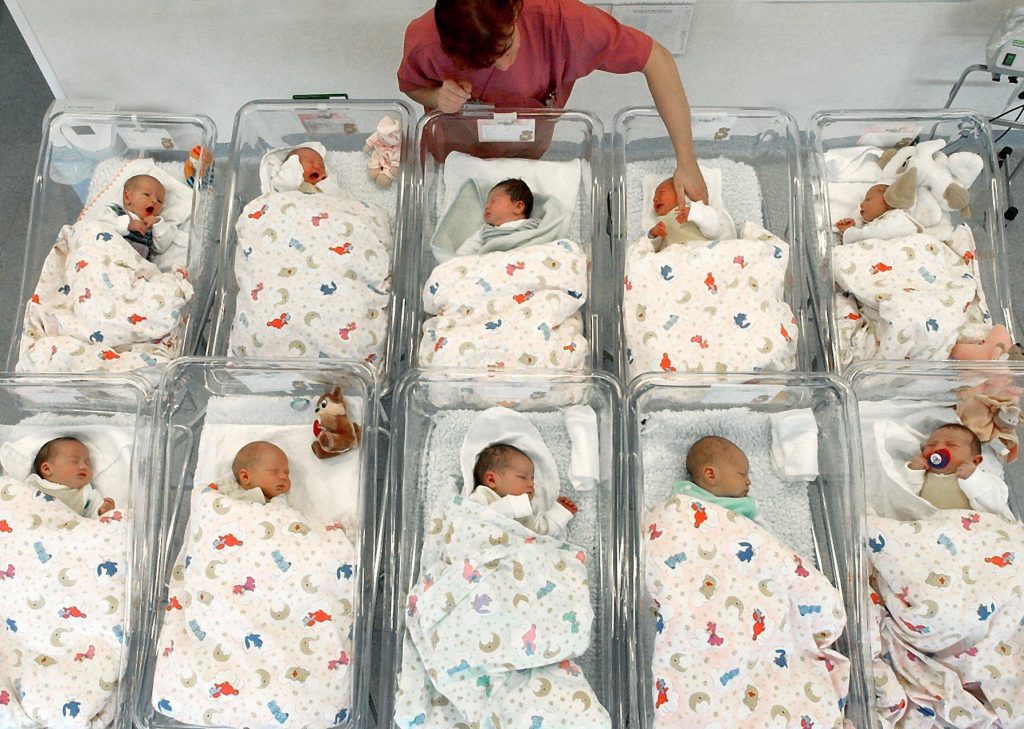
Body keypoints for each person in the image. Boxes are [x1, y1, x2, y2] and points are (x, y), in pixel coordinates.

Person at [397, 0, 708, 205]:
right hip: (456, 146)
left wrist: (687, 161)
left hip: (529, 146)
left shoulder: (562, 22)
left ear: (516, 11)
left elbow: (657, 59)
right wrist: (436, 96)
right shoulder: (426, 40)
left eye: (507, 45)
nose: (504, 65)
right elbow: (412, 87)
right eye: (485, 61)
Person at [905, 423, 1013, 518]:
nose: (937, 448)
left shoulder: (981, 480)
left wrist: (974, 477)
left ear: (975, 461)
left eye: (951, 445)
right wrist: (913, 472)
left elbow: (995, 505)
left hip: (968, 534)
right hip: (927, 532)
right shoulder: (921, 476)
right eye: (931, 445)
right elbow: (902, 501)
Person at [468, 442, 577, 536]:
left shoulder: (526, 509)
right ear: (491, 480)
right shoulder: (481, 496)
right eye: (522, 477)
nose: (531, 484)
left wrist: (559, 512)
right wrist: (514, 505)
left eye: (532, 479)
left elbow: (539, 534)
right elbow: (474, 520)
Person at [29, 437, 115, 517]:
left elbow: (95, 516)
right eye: (75, 461)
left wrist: (104, 511)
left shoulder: (86, 493)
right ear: (47, 469)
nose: (83, 466)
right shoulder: (32, 485)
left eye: (87, 463)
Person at [675, 435, 757, 519]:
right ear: (711, 475)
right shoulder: (685, 496)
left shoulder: (743, 506)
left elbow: (757, 531)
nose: (749, 482)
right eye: (742, 474)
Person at [94, 174, 171, 261]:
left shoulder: (151, 229)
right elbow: (101, 224)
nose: (154, 201)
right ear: (127, 197)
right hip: (107, 257)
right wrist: (127, 225)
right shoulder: (116, 212)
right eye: (147, 194)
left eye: (159, 201)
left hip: (132, 268)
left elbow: (161, 248)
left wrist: (158, 223)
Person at [456, 178, 540, 255]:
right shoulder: (486, 231)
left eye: (494, 201)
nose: (487, 206)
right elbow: (465, 251)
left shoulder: (534, 225)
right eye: (486, 202)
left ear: (518, 207)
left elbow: (548, 235)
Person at [647, 177, 723, 251]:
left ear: (681, 192)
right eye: (654, 198)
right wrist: (653, 234)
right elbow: (652, 250)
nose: (655, 199)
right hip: (673, 259)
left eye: (661, 193)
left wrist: (693, 213)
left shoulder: (695, 208)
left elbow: (714, 230)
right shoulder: (659, 222)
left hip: (699, 252)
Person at [835, 183, 922, 244]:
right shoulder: (879, 223)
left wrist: (849, 232)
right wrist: (852, 229)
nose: (861, 204)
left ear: (888, 201)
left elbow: (874, 234)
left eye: (868, 199)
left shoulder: (900, 217)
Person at [222, 441, 292, 505]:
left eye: (286, 473)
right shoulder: (231, 492)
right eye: (274, 471)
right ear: (245, 477)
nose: (284, 477)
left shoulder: (283, 501)